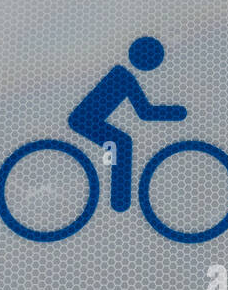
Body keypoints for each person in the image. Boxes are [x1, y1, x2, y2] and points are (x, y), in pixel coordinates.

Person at [68, 36, 187, 212]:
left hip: (87, 119)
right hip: (84, 121)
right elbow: (144, 112)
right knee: (122, 142)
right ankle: (119, 200)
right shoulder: (123, 76)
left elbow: (144, 111)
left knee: (119, 141)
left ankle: (116, 193)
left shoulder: (122, 73)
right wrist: (177, 113)